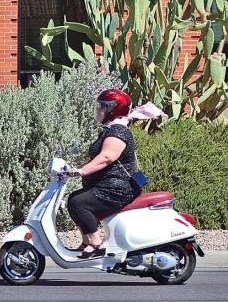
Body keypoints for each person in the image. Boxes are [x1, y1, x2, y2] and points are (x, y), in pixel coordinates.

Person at [67, 89, 164, 259]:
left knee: (78, 203)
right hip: (109, 186)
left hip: (117, 189)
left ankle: (96, 244)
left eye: (102, 107)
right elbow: (95, 158)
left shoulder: (118, 131)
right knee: (74, 198)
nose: (98, 110)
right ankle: (86, 242)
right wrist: (73, 169)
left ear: (113, 110)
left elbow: (107, 157)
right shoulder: (111, 129)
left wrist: (82, 172)